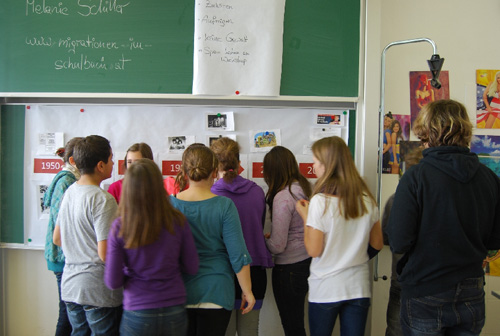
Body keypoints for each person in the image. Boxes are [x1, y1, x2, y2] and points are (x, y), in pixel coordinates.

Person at [387, 99, 500, 336]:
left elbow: (399, 241)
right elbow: (494, 242)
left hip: (425, 288)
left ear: (428, 131)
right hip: (471, 288)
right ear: (464, 130)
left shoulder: (416, 177)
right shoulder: (489, 178)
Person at [295, 136, 383, 336]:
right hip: (358, 288)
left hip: (326, 289)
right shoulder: (367, 200)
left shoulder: (320, 202)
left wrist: (307, 217)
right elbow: (377, 244)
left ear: (327, 165)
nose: (313, 167)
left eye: (316, 162)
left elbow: (314, 250)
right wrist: (352, 258)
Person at [104, 158, 199, 335]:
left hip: (138, 309)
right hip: (174, 307)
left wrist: (129, 271)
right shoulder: (177, 221)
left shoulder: (120, 227)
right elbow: (192, 267)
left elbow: (113, 281)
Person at [169, 144, 255, 336]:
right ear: (215, 172)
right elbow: (237, 254)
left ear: (183, 171)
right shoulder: (224, 206)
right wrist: (247, 291)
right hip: (216, 291)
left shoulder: (169, 205)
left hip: (178, 291)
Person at [53, 135, 123, 336]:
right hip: (96, 290)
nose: (113, 163)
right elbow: (105, 254)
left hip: (71, 286)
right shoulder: (103, 199)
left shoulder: (70, 192)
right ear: (100, 165)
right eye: (111, 158)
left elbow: (57, 239)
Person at [210, 137, 274, 336]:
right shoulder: (256, 192)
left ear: (214, 164)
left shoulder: (211, 194)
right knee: (249, 332)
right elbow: (259, 226)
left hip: (224, 274)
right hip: (254, 273)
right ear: (239, 162)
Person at [263, 146, 312, 336]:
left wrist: (262, 240)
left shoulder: (283, 196)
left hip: (288, 269)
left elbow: (278, 245)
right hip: (306, 263)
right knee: (297, 323)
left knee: (292, 327)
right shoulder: (304, 189)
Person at [381, 147, 423, 336]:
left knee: (397, 331)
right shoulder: (444, 200)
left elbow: (389, 239)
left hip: (404, 280)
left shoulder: (397, 199)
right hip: (433, 281)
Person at [43, 137, 82, 336]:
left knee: (68, 313)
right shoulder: (67, 182)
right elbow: (63, 226)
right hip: (63, 257)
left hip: (63, 257)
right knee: (67, 315)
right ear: (74, 160)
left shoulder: (68, 179)